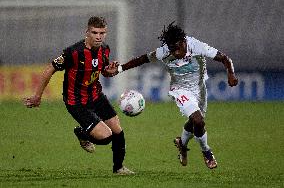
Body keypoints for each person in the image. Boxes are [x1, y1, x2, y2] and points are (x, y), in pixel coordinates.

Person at [113, 22, 238, 169]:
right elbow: (142, 59)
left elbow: (225, 58)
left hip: (199, 88)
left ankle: (182, 144)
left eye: (178, 47)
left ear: (184, 41)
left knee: (194, 122)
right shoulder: (164, 52)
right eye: (172, 49)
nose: (176, 52)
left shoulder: (197, 46)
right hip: (180, 89)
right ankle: (207, 151)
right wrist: (120, 69)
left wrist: (231, 74)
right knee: (198, 121)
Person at [23, 16, 134, 175]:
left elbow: (102, 71)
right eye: (94, 32)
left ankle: (118, 168)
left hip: (96, 95)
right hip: (76, 101)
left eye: (102, 33)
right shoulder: (73, 52)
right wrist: (37, 96)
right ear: (87, 32)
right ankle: (82, 133)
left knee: (117, 130)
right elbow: (49, 69)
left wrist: (110, 72)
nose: (98, 36)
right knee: (105, 137)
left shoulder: (105, 49)